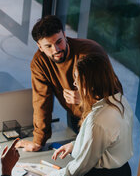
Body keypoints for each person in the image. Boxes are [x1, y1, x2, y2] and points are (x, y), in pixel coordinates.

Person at [17, 15, 116, 152]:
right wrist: (38, 141)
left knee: (104, 160)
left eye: (59, 42)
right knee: (81, 159)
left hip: (103, 118)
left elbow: (115, 96)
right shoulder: (39, 63)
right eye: (48, 46)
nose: (56, 49)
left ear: (65, 35)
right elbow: (41, 101)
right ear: (39, 46)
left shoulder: (91, 52)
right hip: (76, 116)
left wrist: (86, 98)